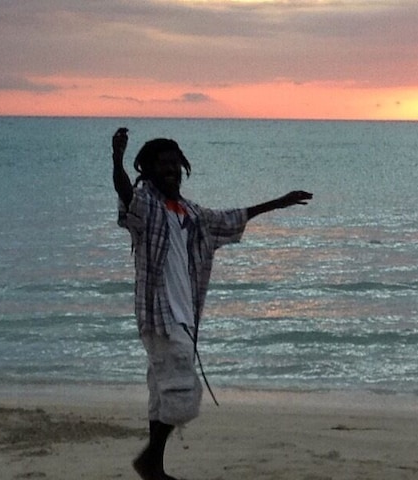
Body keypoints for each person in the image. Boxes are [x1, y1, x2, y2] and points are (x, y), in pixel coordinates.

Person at [111, 127, 312, 480]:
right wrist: (117, 159)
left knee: (162, 391)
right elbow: (125, 194)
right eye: (163, 165)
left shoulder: (189, 212)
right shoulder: (146, 204)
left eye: (175, 164)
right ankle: (149, 461)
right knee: (182, 392)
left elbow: (230, 218)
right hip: (159, 316)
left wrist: (277, 202)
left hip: (184, 315)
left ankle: (153, 465)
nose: (171, 170)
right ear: (149, 171)